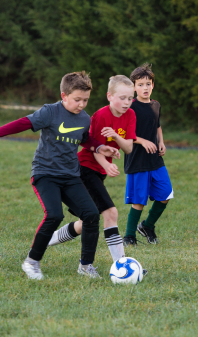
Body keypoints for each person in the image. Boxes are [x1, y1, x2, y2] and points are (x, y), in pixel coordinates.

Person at [0, 71, 120, 280]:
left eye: (85, 100)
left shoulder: (85, 119)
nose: (81, 104)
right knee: (54, 215)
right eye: (77, 100)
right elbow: (23, 122)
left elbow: (85, 139)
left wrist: (100, 148)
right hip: (45, 173)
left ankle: (86, 266)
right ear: (64, 95)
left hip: (70, 176)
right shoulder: (50, 112)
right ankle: (31, 262)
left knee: (91, 215)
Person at [48, 75, 137, 263]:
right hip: (85, 169)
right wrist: (106, 164)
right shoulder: (101, 115)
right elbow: (93, 147)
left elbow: (128, 147)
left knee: (87, 221)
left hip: (99, 172)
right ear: (109, 96)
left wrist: (115, 136)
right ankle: (122, 265)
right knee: (111, 213)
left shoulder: (130, 115)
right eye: (122, 97)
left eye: (130, 98)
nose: (127, 102)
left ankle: (44, 241)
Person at [123, 63, 173, 246]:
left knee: (165, 194)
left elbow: (157, 126)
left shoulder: (156, 105)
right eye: (140, 84)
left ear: (153, 85)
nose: (145, 88)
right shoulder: (130, 107)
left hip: (156, 160)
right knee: (139, 201)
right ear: (134, 87)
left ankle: (147, 226)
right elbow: (124, 133)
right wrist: (142, 141)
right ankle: (129, 236)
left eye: (148, 83)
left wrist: (161, 141)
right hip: (138, 160)